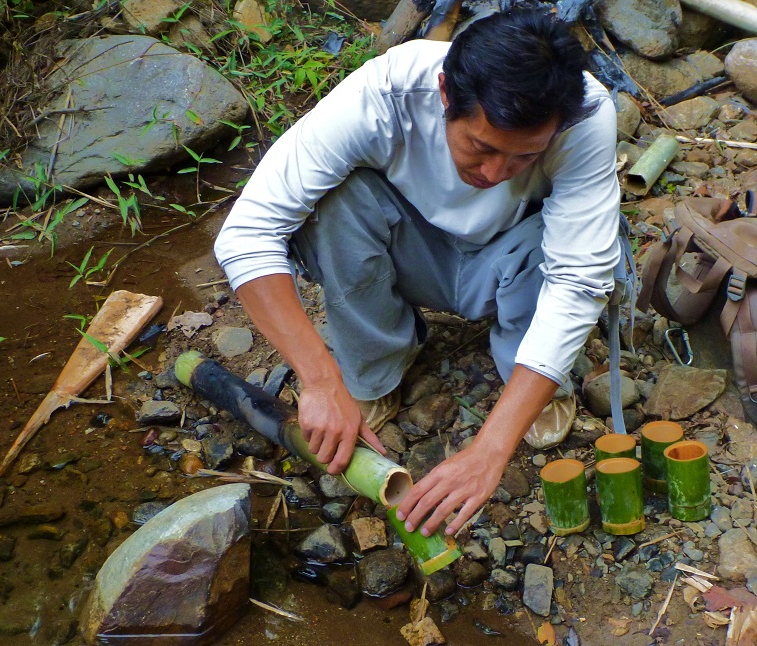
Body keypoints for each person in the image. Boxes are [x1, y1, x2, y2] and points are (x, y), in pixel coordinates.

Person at [214, 8, 620, 539]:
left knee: (582, 247)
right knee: (335, 203)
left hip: (514, 258)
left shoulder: (586, 116)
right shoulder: (385, 93)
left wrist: (490, 449)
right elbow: (246, 234)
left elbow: (579, 280)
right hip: (414, 246)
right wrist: (319, 379)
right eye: (481, 147)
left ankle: (530, 375)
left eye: (522, 157)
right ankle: (375, 371)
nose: (495, 174)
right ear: (447, 93)